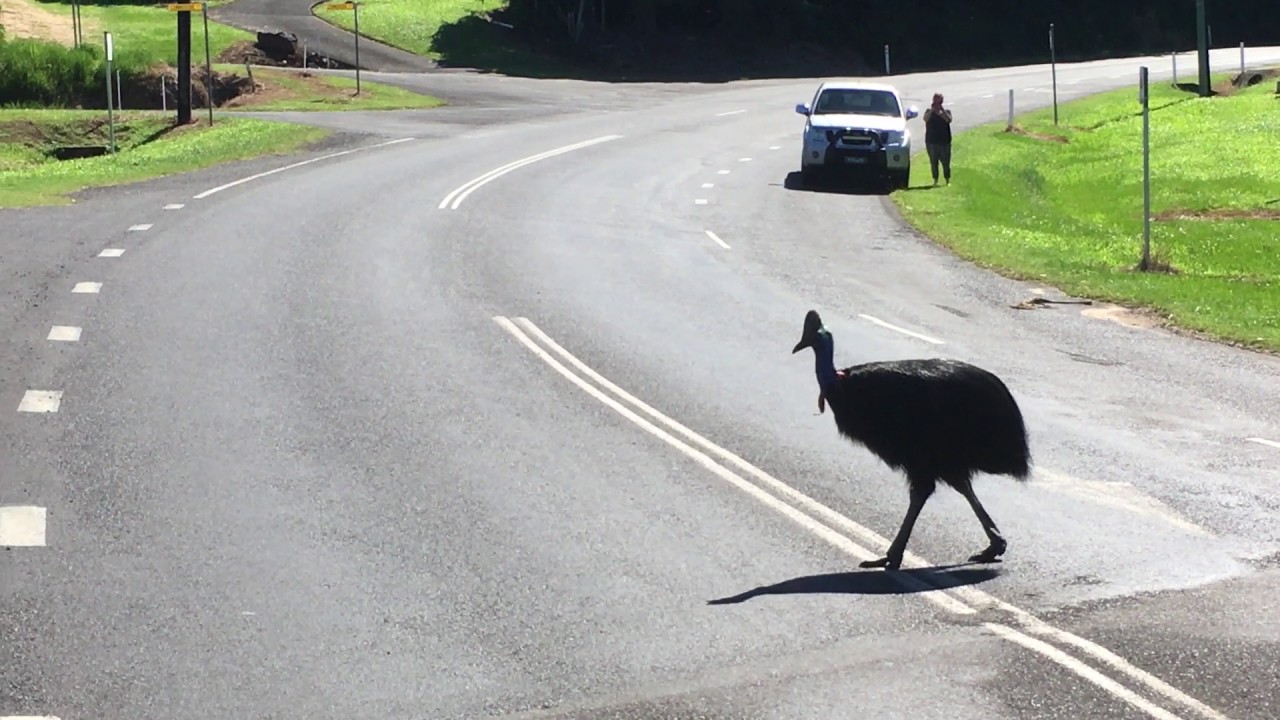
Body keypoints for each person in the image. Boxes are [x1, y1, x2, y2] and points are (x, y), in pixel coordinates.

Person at [923, 93, 953, 186]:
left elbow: (948, 120)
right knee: (933, 162)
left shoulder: (947, 112)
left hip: (944, 141)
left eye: (939, 101)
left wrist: (941, 111)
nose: (937, 103)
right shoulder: (928, 112)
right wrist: (933, 110)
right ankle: (935, 180)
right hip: (931, 141)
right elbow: (925, 119)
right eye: (935, 101)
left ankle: (947, 180)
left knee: (946, 162)